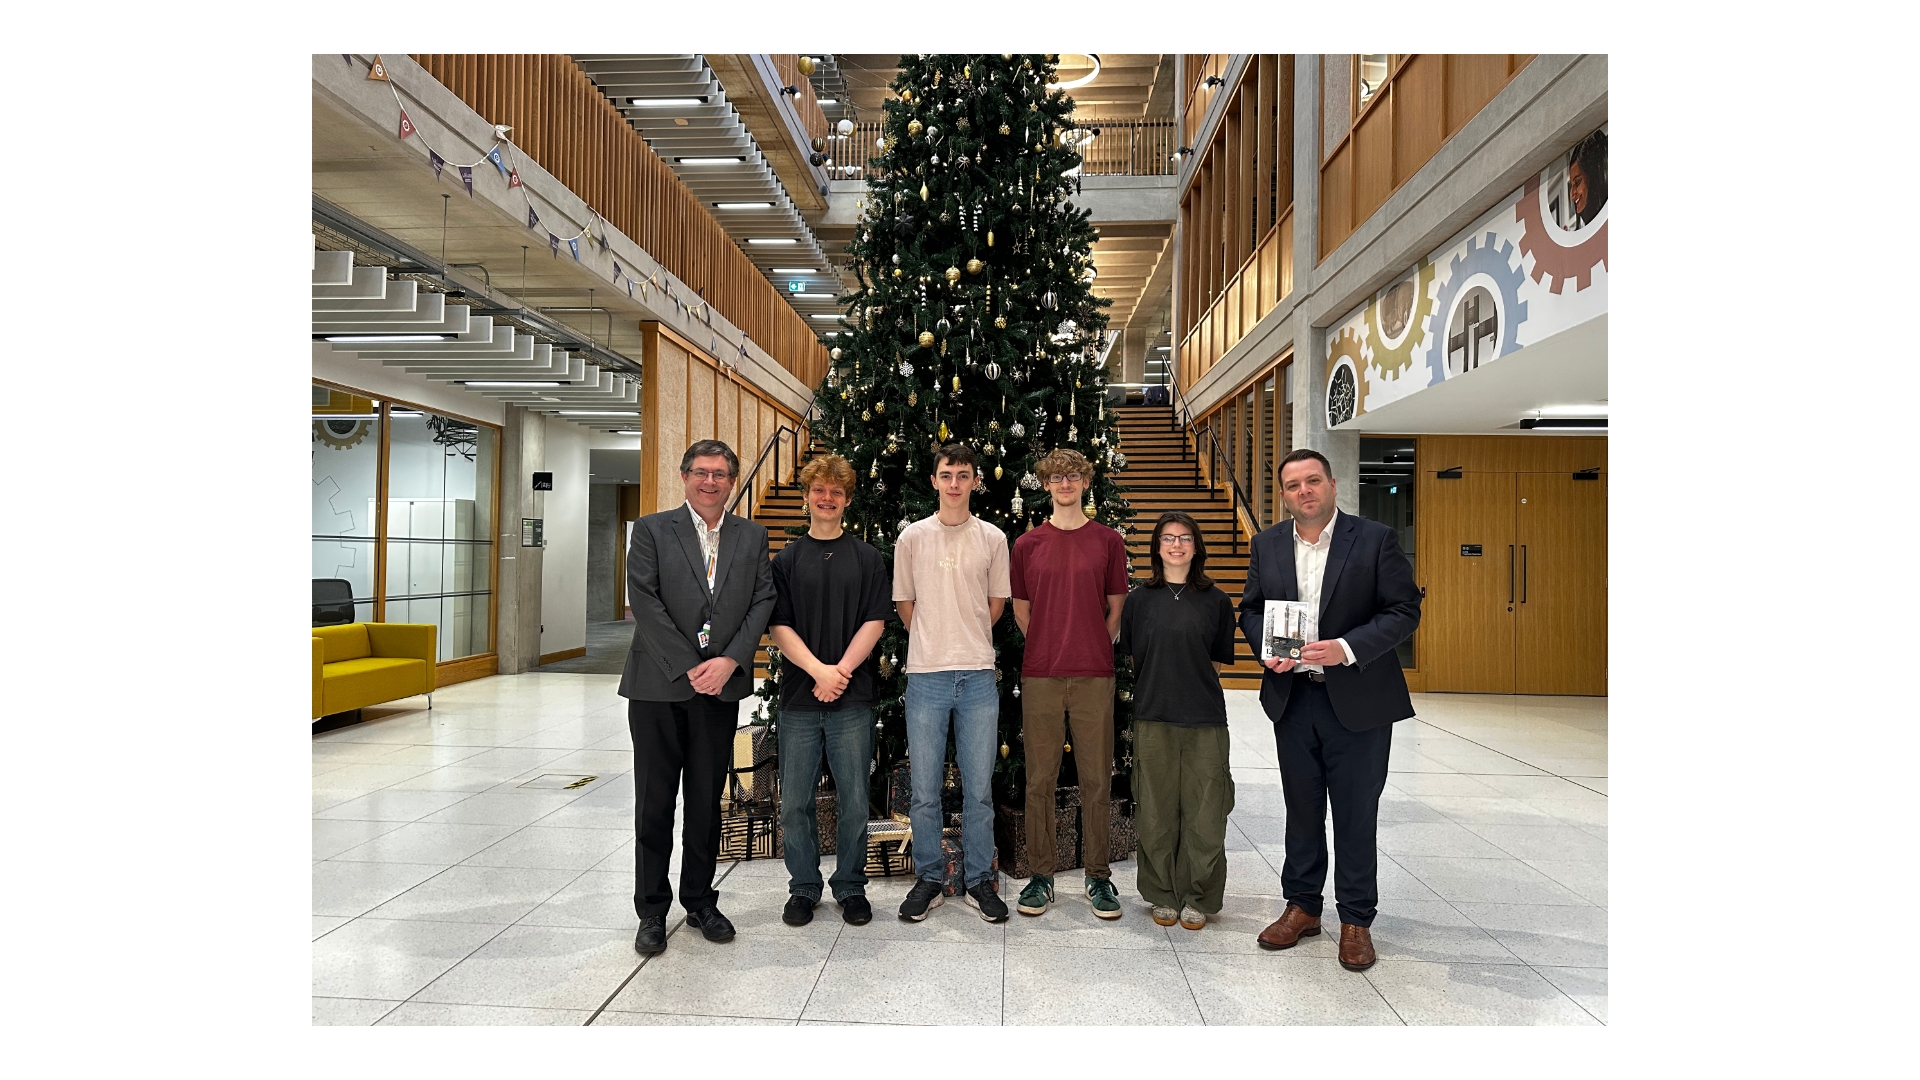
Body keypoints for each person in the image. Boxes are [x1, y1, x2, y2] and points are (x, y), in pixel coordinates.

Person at [1239, 449, 1420, 972]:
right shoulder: (1267, 544)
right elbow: (1252, 609)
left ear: (1332, 484)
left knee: (1355, 813)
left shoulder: (1374, 539)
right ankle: (1302, 906)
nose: (1304, 492)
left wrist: (1348, 648)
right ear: (1284, 494)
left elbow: (1405, 610)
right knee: (1301, 808)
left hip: (1359, 701)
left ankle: (1357, 919)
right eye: (1293, 485)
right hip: (1293, 699)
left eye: (1312, 481)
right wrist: (1265, 647)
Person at [619, 439, 775, 956]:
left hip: (720, 685)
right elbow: (644, 598)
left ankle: (701, 900)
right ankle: (652, 911)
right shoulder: (652, 529)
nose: (711, 482)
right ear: (684, 476)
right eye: (702, 472)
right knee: (656, 802)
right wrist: (690, 666)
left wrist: (730, 660)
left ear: (732, 481)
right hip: (658, 688)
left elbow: (762, 600)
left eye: (721, 474)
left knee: (707, 801)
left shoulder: (751, 535)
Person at [767, 454, 891, 929]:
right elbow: (778, 626)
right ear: (806, 498)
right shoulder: (786, 560)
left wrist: (839, 671)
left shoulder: (866, 558)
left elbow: (875, 622)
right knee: (795, 800)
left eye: (836, 492)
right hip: (800, 699)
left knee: (855, 799)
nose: (827, 498)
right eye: (819, 490)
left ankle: (851, 886)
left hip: (853, 699)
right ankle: (803, 887)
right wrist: (818, 671)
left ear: (847, 500)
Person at [892, 443, 1012, 923]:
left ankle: (980, 880)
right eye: (947, 474)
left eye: (964, 474)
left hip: (978, 675)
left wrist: (964, 637)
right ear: (935, 480)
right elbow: (905, 604)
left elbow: (996, 603)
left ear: (976, 481)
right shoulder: (912, 538)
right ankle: (930, 877)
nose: (955, 483)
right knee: (924, 790)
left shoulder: (993, 538)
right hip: (926, 675)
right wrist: (935, 639)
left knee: (979, 790)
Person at [1009, 448, 1131, 920]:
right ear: (1045, 484)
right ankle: (1041, 876)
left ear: (1086, 482)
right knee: (1039, 779)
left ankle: (1098, 877)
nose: (1065, 483)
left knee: (1096, 778)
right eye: (1057, 476)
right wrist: (1048, 643)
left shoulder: (1107, 542)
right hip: (1040, 674)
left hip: (1094, 675)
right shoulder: (1026, 546)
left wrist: (1088, 644)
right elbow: (1022, 612)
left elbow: (1115, 608)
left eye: (1074, 475)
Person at [1118, 511, 1238, 931]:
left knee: (1206, 811)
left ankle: (1199, 895)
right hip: (1154, 717)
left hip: (1204, 719)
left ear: (1196, 546)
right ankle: (1162, 894)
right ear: (1156, 546)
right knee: (1155, 810)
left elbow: (1216, 665)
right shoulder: (1138, 599)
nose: (1176, 544)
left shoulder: (1217, 601)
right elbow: (1136, 659)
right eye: (1168, 537)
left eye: (1185, 537)